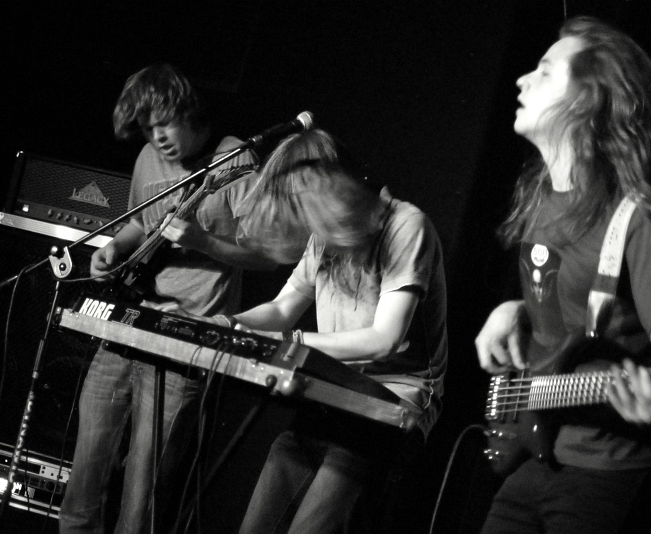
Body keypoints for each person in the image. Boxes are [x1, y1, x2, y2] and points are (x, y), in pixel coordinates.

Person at [474, 16, 651, 534]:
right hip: (542, 449)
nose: (521, 81)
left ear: (586, 102)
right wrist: (512, 310)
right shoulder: (538, 201)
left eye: (545, 72)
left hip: (610, 470)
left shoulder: (636, 217)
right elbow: (563, 308)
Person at [165, 128, 448, 533]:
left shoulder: (406, 225)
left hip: (392, 404)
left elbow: (385, 339)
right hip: (334, 395)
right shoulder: (325, 237)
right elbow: (283, 307)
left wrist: (291, 343)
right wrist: (228, 326)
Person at [58, 63, 275, 534]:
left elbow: (269, 255)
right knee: (83, 480)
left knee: (140, 503)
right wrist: (114, 246)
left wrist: (204, 243)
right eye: (147, 128)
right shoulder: (147, 160)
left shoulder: (233, 160)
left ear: (188, 111)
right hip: (127, 321)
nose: (157, 137)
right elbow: (139, 221)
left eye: (164, 123)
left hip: (184, 339)